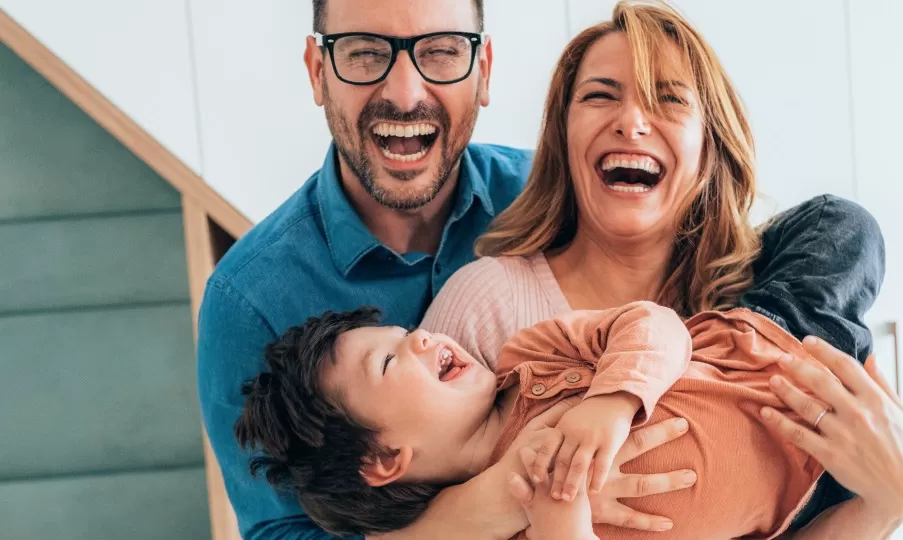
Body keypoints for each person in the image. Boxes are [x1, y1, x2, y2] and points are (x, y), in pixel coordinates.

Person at [419, 1, 903, 538]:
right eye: (600, 95)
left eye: (668, 100)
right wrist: (543, 492)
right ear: (563, 135)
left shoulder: (764, 288)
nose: (630, 121)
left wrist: (893, 498)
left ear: (709, 146)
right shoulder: (489, 301)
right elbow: (401, 521)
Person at [197, 1, 699, 538]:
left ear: (483, 72)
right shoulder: (248, 299)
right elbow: (282, 531)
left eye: (441, 52)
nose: (406, 94)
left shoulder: (563, 194)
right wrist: (510, 497)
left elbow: (718, 261)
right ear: (318, 72)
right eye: (365, 54)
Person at [235, 298, 887, 539]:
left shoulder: (529, 358)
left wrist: (610, 403)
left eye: (406, 330)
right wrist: (557, 507)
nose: (424, 338)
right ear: (383, 460)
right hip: (802, 499)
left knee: (846, 229)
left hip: (766, 344)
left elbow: (653, 323)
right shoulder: (510, 524)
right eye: (389, 362)